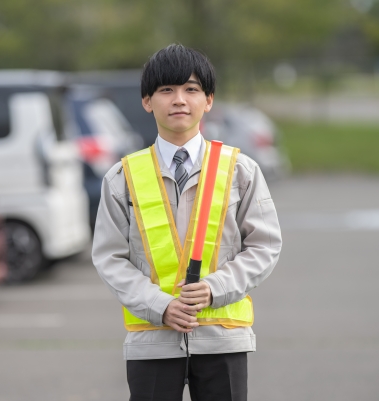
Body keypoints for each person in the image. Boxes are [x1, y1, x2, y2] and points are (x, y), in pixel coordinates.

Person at [91, 44, 282, 401]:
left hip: (222, 339)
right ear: (147, 101)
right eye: (166, 90)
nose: (179, 99)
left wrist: (215, 288)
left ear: (208, 100)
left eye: (191, 89)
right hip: (152, 341)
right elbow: (108, 257)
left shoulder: (240, 170)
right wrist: (159, 305)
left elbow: (264, 245)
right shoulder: (122, 177)